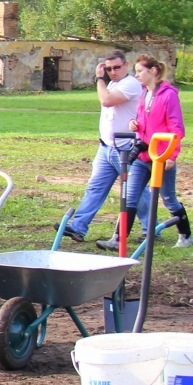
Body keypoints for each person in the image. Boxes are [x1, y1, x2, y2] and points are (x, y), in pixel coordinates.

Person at [105, 54, 193, 250]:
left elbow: (176, 128)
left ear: (153, 71)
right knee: (130, 195)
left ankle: (185, 235)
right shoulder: (144, 93)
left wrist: (172, 155)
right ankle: (118, 239)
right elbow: (143, 119)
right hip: (143, 153)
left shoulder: (169, 95)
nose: (136, 75)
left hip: (161, 156)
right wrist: (134, 124)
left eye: (139, 71)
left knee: (169, 198)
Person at [57, 49, 143, 243]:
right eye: (109, 68)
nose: (113, 71)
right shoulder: (113, 83)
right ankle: (78, 227)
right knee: (95, 188)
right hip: (107, 147)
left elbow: (106, 101)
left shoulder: (130, 84)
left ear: (126, 66)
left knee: (137, 192)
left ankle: (151, 228)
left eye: (117, 68)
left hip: (125, 148)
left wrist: (99, 79)